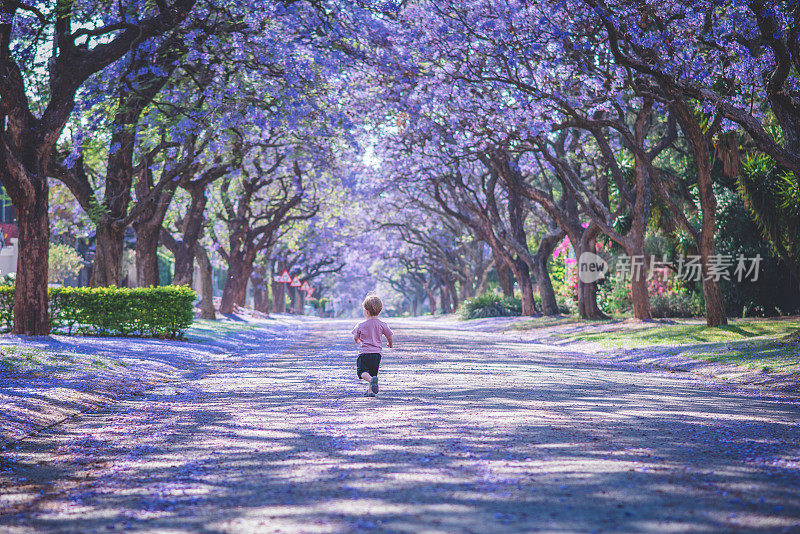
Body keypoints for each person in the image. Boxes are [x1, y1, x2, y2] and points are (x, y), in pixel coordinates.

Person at [352, 294, 393, 397]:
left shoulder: (360, 325)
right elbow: (389, 335)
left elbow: (356, 337)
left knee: (362, 372)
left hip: (364, 353)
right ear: (380, 310)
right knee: (373, 372)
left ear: (366, 311)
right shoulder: (382, 324)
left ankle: (370, 380)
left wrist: (357, 340)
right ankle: (370, 391)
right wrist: (390, 344)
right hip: (376, 354)